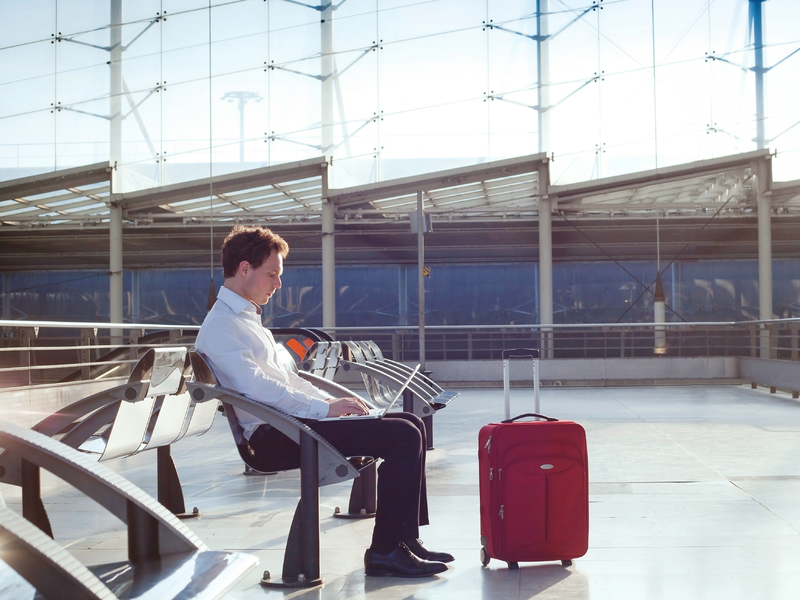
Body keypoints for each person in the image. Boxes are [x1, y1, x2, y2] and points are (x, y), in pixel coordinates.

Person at [196, 225, 453, 578]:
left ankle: (405, 538)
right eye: (272, 274)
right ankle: (385, 551)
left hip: (290, 423)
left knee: (409, 424)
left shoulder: (247, 319)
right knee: (404, 436)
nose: (278, 284)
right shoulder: (222, 326)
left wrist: (336, 403)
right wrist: (324, 410)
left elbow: (288, 380)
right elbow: (256, 388)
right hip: (274, 435)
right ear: (244, 269)